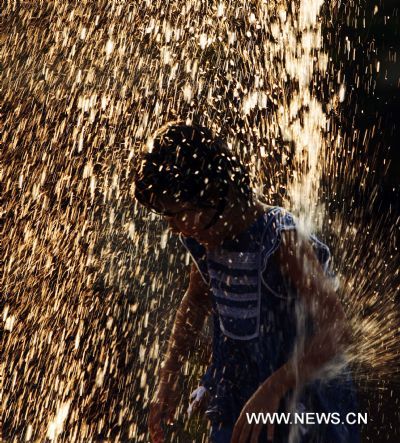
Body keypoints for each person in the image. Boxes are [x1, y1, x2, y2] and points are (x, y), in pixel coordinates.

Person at [134, 121, 360, 443]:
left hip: (304, 400)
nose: (172, 227)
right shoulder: (203, 238)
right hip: (239, 394)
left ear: (211, 195)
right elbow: (197, 301)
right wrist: (168, 379)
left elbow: (338, 330)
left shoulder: (281, 240)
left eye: (175, 213)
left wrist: (273, 389)